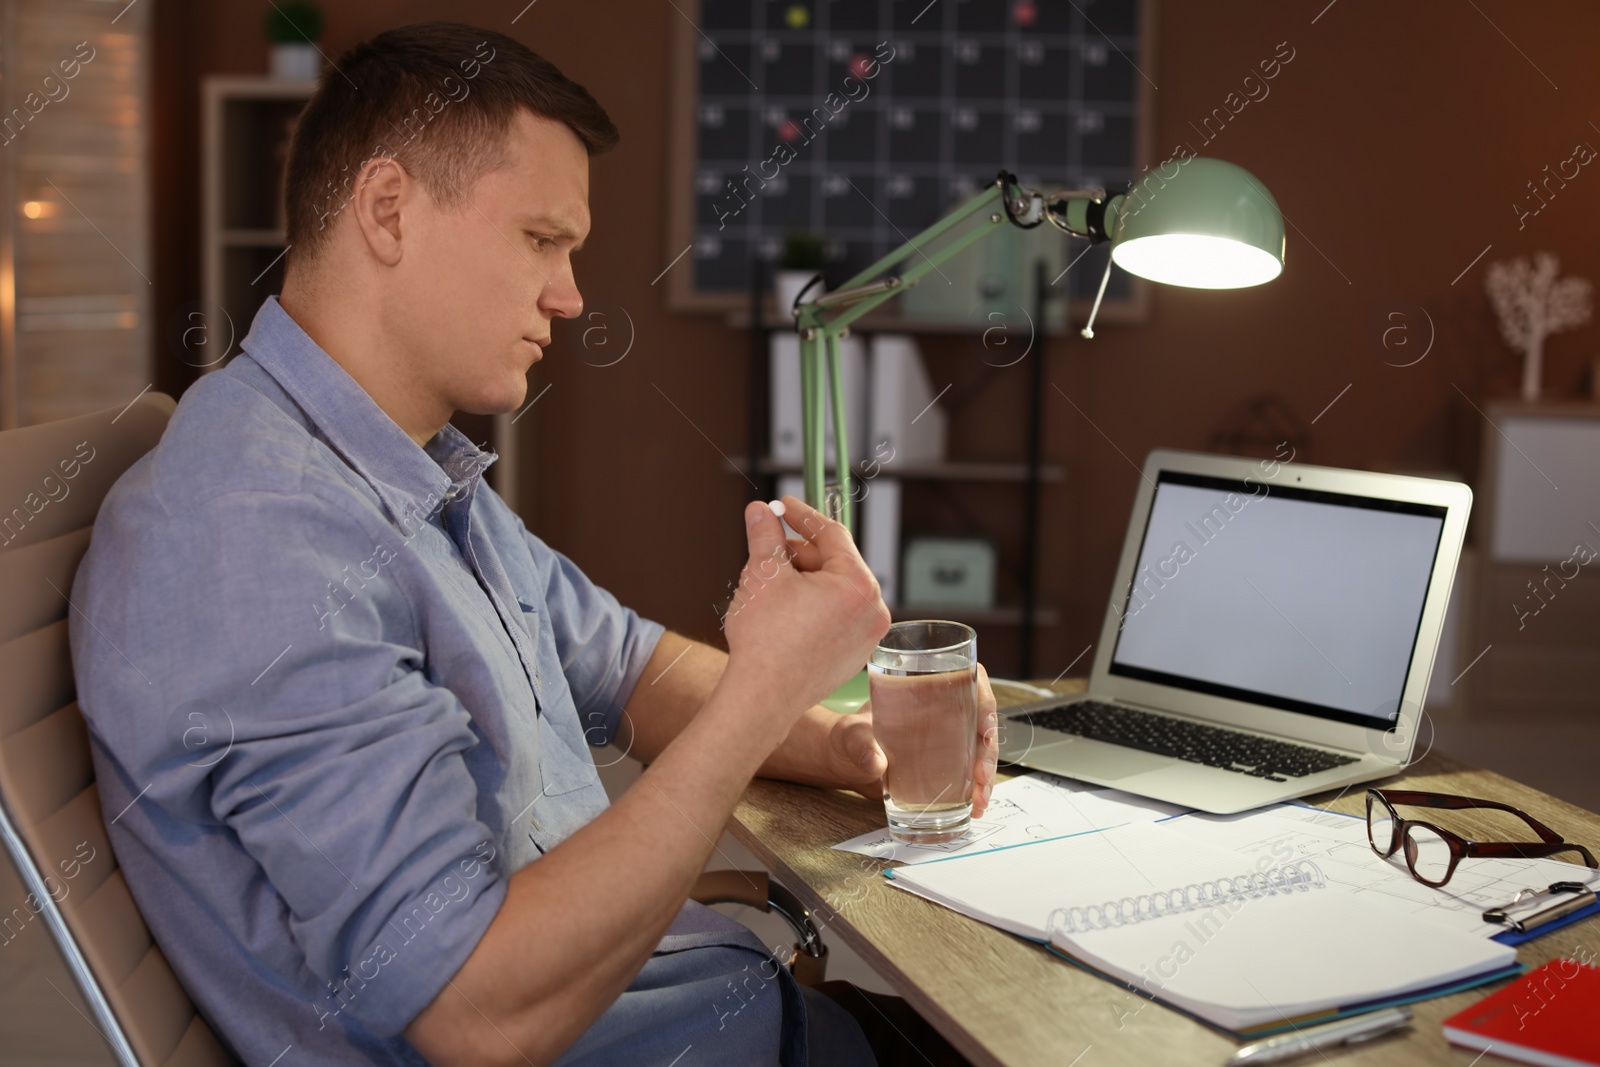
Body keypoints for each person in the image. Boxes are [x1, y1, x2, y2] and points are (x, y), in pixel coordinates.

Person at [69, 21, 998, 1067]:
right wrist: (762, 692)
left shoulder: (400, 468)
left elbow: (625, 664)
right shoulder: (259, 534)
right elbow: (473, 1007)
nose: (570, 294)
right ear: (387, 210)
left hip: (705, 1002)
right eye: (540, 240)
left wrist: (843, 744)